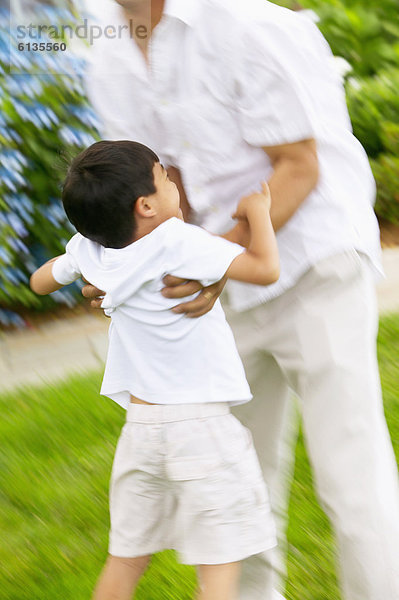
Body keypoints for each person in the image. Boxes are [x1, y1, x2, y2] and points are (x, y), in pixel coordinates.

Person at [79, 1, 399, 599]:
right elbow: (157, 190)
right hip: (218, 293)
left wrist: (212, 261)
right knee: (234, 484)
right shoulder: (110, 58)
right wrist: (124, 267)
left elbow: (299, 167)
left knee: (350, 475)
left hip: (313, 265)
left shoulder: (249, 25)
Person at [30, 139, 280, 600]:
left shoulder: (91, 250)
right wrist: (258, 210)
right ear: (145, 205)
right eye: (165, 178)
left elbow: (40, 280)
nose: (172, 183)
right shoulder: (176, 241)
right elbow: (265, 269)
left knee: (126, 557)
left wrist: (73, 269)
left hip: (141, 430)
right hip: (202, 429)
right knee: (219, 562)